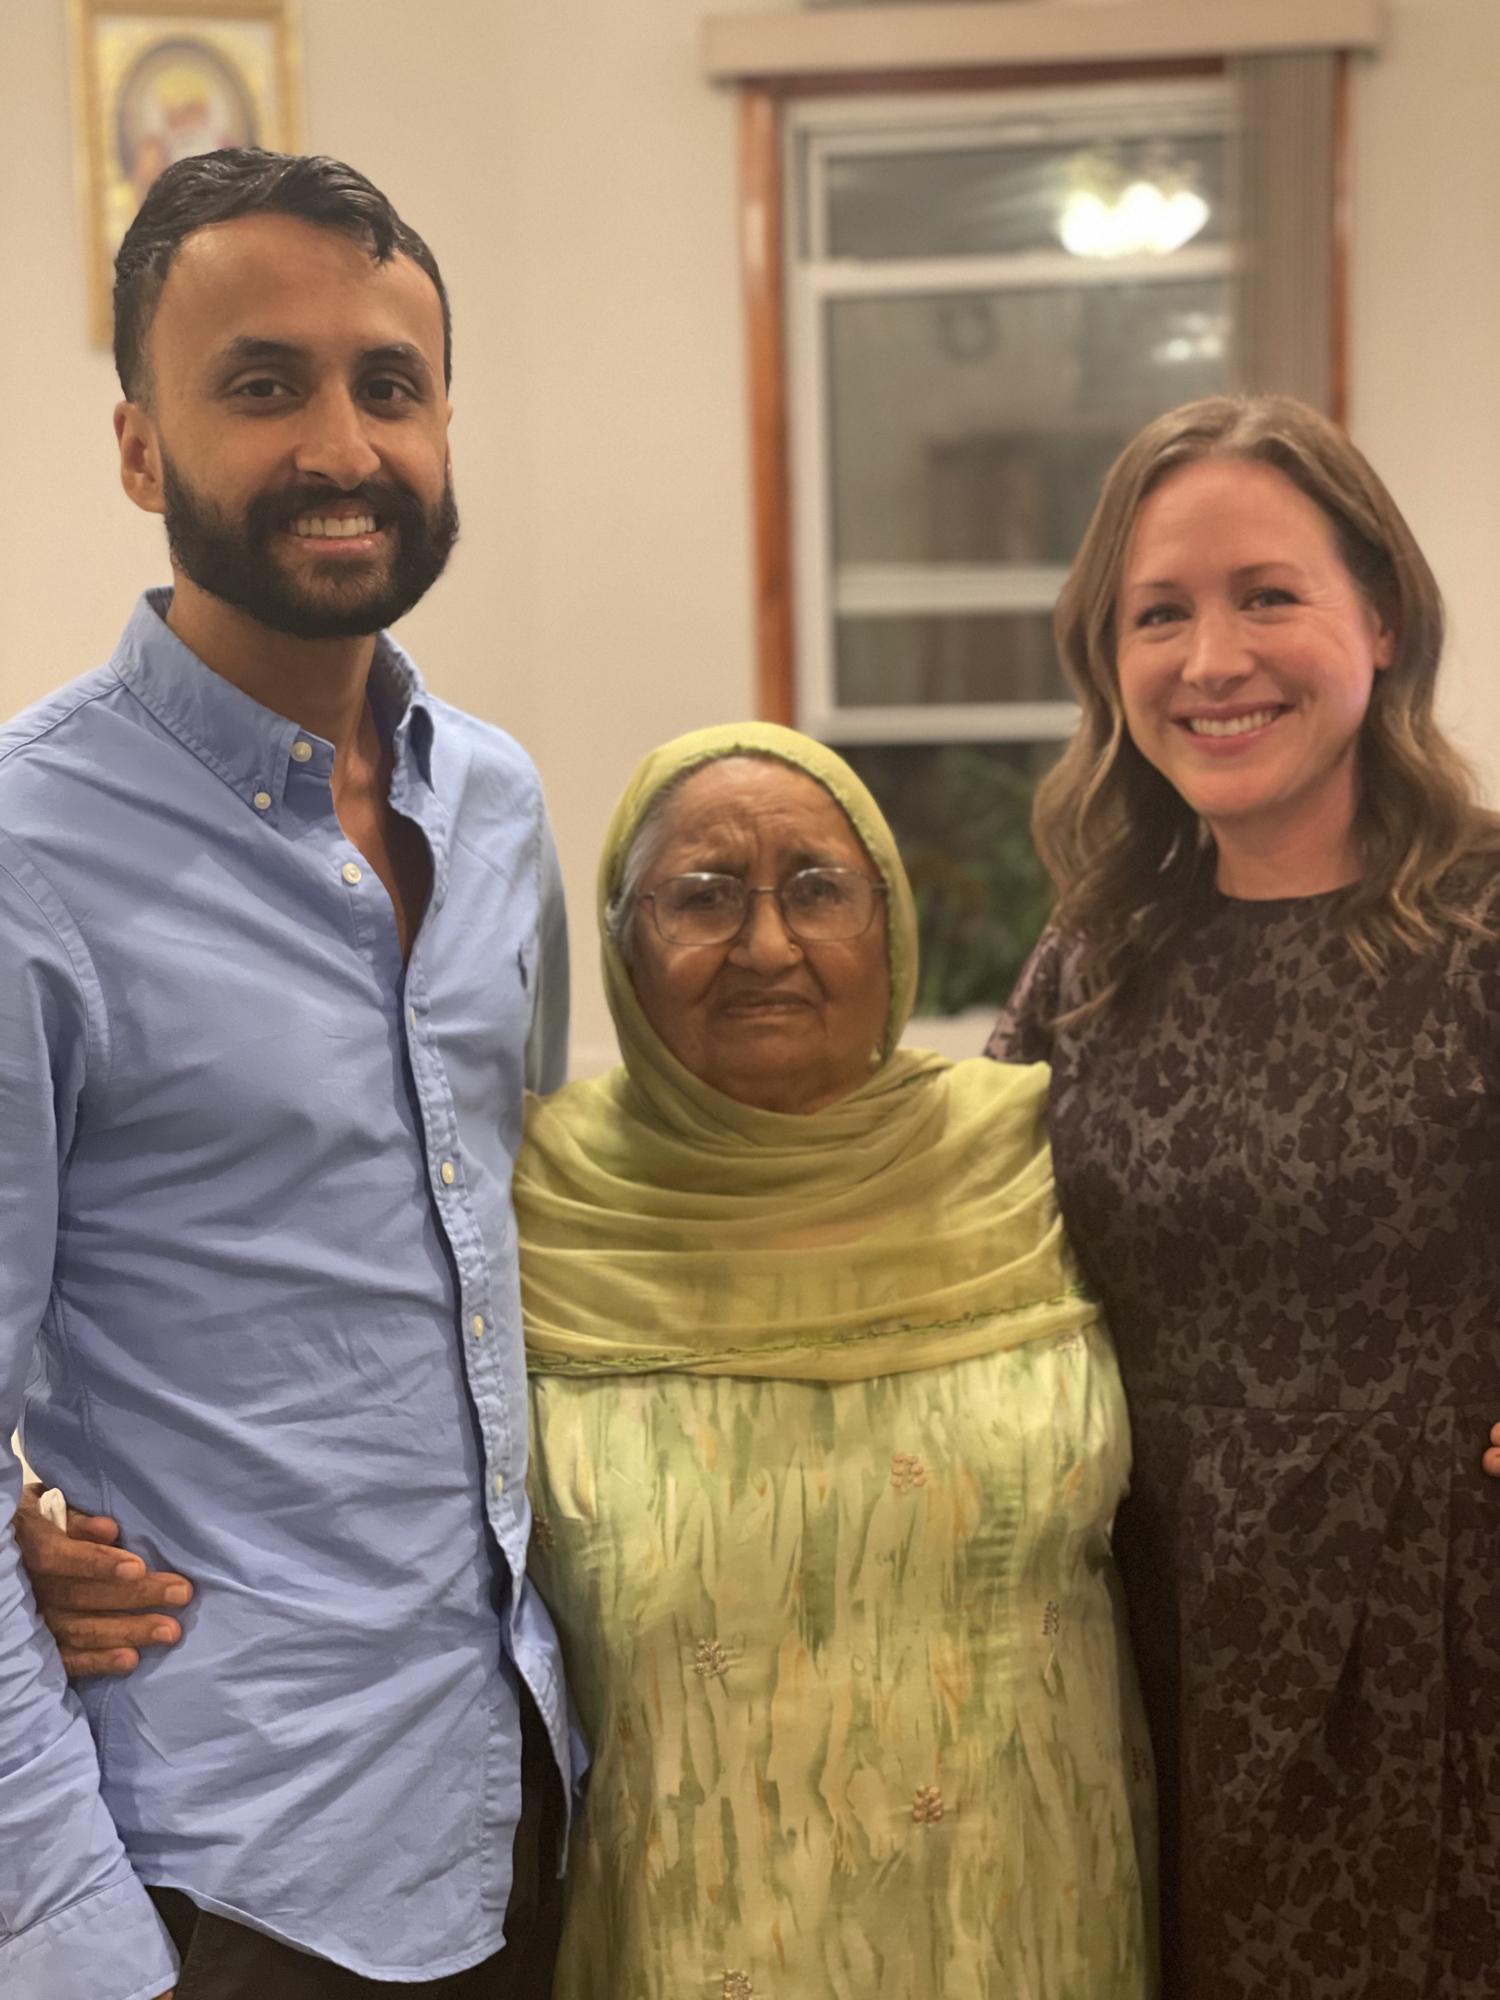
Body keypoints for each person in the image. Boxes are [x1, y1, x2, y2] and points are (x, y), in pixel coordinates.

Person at [28, 723, 1159, 1997]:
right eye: (703, 896)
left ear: (892, 923)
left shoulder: (1042, 1158)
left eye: (819, 887)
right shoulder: (524, 1205)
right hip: (677, 1933)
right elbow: (312, 1405)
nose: (767, 943)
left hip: (1038, 1910)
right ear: (617, 944)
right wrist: (53, 1532)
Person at [0, 149, 571, 2000]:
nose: (342, 445)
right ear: (139, 448)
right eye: (263, 385)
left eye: (388, 385)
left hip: (527, 1810)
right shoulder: (27, 859)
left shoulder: (498, 807)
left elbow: (534, 1260)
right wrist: (78, 1949)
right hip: (221, 1884)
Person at [987, 393, 1500, 1996]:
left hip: (1440, 1645)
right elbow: (963, 1235)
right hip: (1145, 1631)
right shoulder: (1097, 952)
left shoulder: (1488, 922)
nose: (1213, 660)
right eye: (1160, 615)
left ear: (1383, 618)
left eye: (1268, 596)